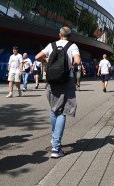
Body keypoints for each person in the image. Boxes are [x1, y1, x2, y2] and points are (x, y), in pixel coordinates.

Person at [35, 26, 81, 158]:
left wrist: (46, 60)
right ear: (69, 36)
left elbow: (38, 57)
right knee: (63, 111)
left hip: (52, 80)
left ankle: (53, 137)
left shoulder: (51, 45)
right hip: (66, 80)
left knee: (54, 109)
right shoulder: (73, 46)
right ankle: (56, 147)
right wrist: (72, 65)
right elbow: (77, 61)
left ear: (59, 34)